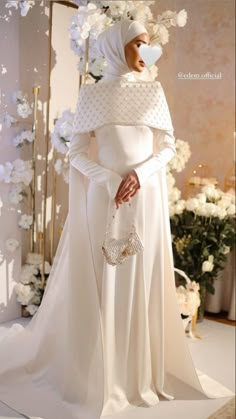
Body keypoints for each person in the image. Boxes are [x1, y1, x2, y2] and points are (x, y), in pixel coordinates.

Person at [0, 18, 233, 419]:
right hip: (102, 200)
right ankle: (97, 374)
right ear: (115, 48)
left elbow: (167, 147)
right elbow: (75, 153)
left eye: (147, 45)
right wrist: (110, 180)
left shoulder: (154, 93)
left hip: (143, 202)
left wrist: (138, 176)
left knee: (137, 278)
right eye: (136, 44)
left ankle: (133, 373)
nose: (144, 53)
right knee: (101, 279)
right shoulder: (91, 95)